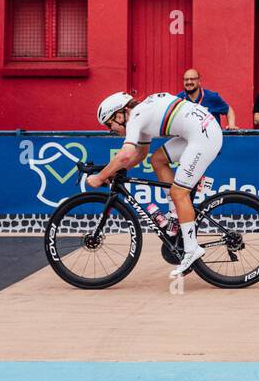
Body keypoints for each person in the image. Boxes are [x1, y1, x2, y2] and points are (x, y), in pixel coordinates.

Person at [87, 91, 223, 277]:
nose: (113, 130)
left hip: (204, 136)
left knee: (178, 193)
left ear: (120, 114)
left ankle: (192, 250)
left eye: (111, 125)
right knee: (157, 160)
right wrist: (115, 171)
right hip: (200, 130)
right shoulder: (141, 114)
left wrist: (100, 177)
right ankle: (175, 217)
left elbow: (126, 154)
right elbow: (141, 154)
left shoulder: (135, 116)